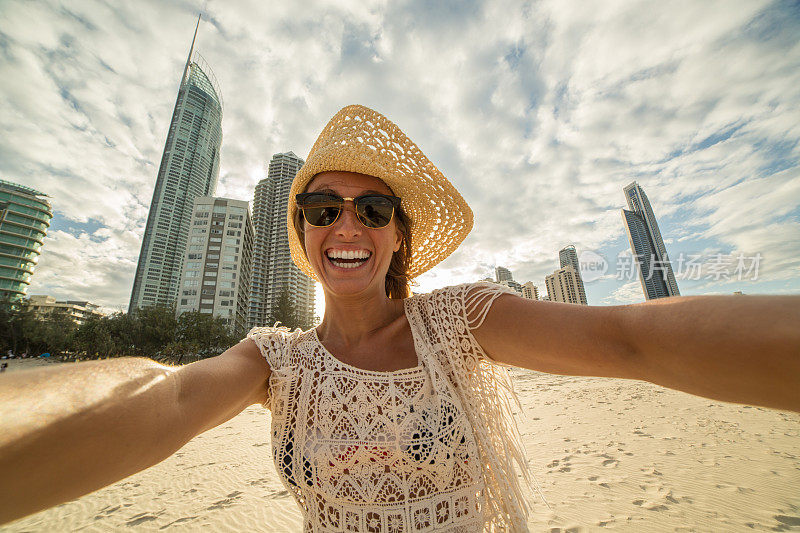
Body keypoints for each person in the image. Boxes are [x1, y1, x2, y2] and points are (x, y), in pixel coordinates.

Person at [0, 105, 798, 531]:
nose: (347, 225)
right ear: (305, 232)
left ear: (400, 235)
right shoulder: (274, 360)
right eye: (323, 208)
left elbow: (631, 339)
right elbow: (166, 398)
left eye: (373, 207)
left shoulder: (462, 321)